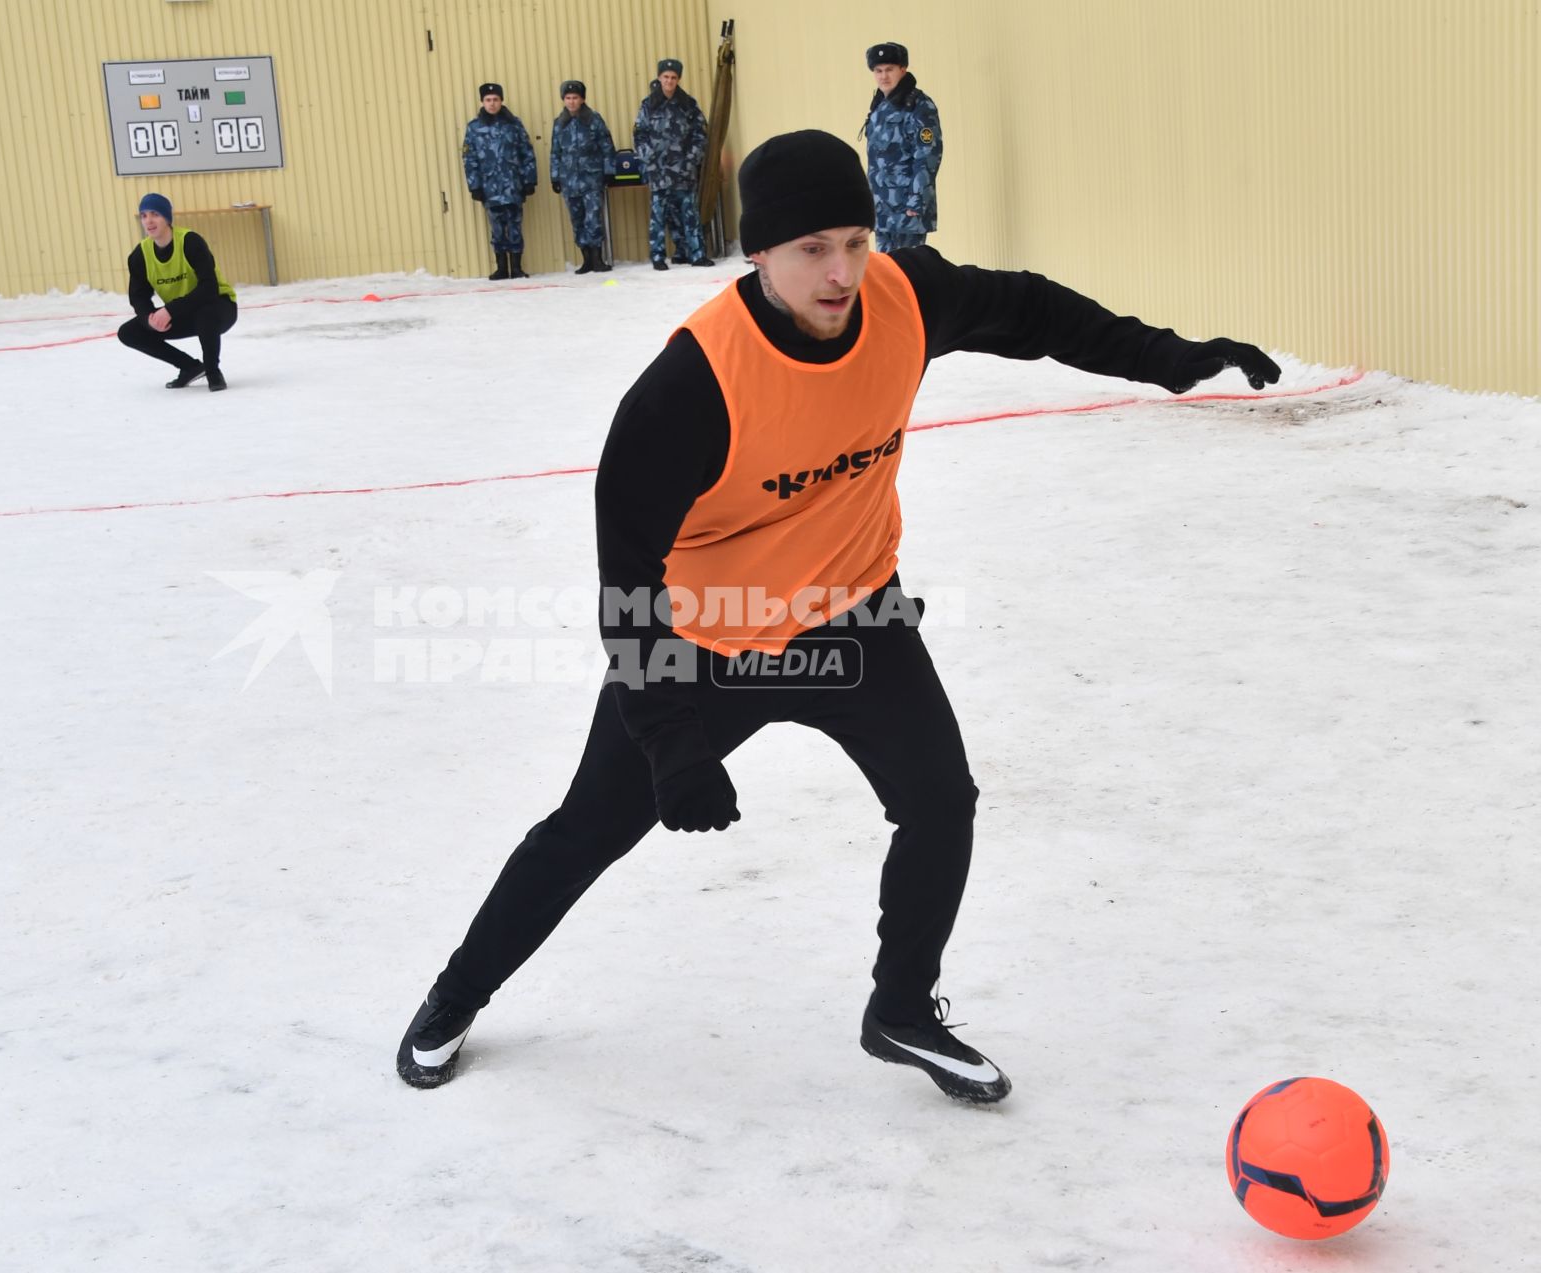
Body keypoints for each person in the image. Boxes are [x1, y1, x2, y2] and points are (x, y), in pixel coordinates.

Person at [396, 129, 1281, 1102]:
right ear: (761, 255)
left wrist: (1168, 358)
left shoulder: (903, 299)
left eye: (855, 241)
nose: (840, 271)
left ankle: (901, 1008)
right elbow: (629, 586)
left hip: (856, 615)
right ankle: (455, 994)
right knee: (587, 829)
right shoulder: (690, 388)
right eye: (812, 249)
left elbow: (1029, 310)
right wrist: (673, 744)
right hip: (708, 637)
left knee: (941, 801)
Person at [117, 193, 237, 391]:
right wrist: (149, 318)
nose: (149, 220)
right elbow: (138, 297)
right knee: (128, 332)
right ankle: (190, 367)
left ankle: (213, 371)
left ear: (167, 218)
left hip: (219, 307)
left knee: (206, 312)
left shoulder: (190, 242)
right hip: (182, 312)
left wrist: (170, 310)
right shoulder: (140, 255)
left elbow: (209, 288)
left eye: (155, 214)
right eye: (144, 215)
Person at [633, 59, 713, 270]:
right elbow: (639, 135)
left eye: (673, 77)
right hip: (658, 171)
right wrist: (648, 157)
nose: (669, 81)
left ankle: (697, 254)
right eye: (665, 77)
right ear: (659, 78)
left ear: (678, 79)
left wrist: (691, 159)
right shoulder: (648, 105)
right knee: (658, 216)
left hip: (684, 170)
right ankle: (658, 257)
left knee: (690, 214)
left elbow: (700, 134)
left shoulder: (688, 104)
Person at [862, 42, 942, 252]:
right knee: (885, 271)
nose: (883, 76)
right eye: (878, 71)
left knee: (908, 272)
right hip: (883, 208)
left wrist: (917, 201)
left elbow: (927, 156)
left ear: (903, 69)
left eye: (889, 70)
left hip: (907, 208)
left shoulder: (919, 106)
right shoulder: (879, 106)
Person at [462, 83, 537, 280]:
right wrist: (474, 185)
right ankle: (501, 268)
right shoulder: (474, 127)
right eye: (488, 100)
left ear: (501, 101)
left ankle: (516, 267)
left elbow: (527, 152)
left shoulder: (514, 124)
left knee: (515, 225)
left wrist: (530, 180)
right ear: (482, 102)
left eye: (495, 99)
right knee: (496, 228)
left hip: (513, 185)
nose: (492, 104)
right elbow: (470, 159)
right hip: (490, 187)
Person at [549, 80, 616, 274]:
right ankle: (586, 259)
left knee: (593, 218)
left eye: (575, 98)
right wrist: (555, 177)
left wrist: (609, 172)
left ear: (582, 99)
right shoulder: (559, 123)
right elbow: (555, 152)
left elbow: (607, 147)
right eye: (568, 98)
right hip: (569, 180)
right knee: (577, 219)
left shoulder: (594, 120)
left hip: (591, 178)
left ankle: (597, 259)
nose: (571, 102)